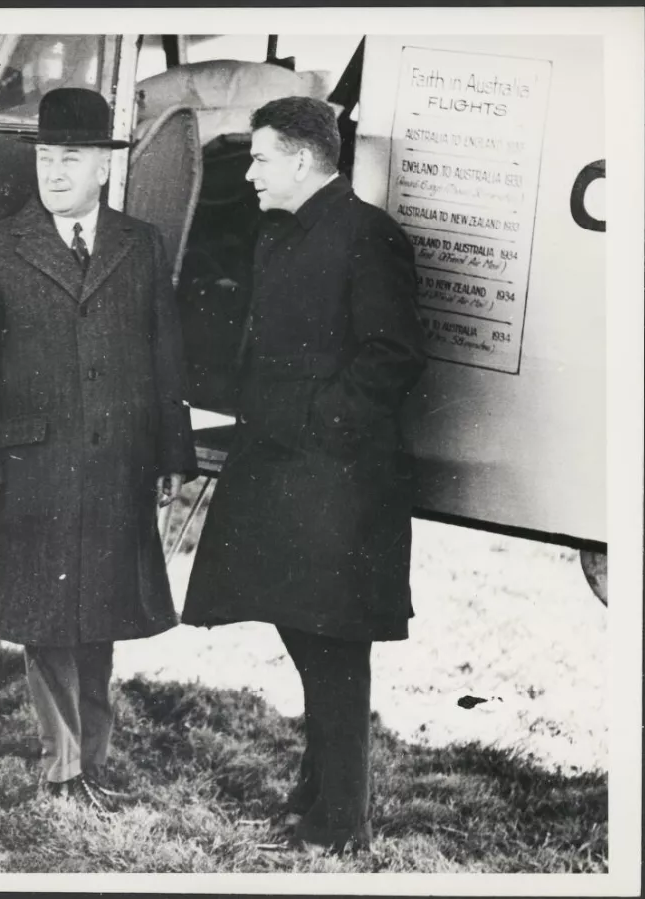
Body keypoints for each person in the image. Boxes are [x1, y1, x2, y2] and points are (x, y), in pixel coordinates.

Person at [181, 97, 427, 853]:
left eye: (258, 158)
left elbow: (392, 353)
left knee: (333, 645)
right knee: (305, 632)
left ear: (299, 158)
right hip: (286, 468)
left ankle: (339, 821)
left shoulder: (367, 236)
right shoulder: (282, 234)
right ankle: (317, 794)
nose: (248, 173)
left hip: (338, 479)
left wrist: (322, 423)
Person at [0, 87, 197, 814]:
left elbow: (164, 355)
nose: (55, 172)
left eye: (72, 159)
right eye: (47, 158)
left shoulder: (139, 244)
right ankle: (63, 767)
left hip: (118, 462)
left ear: (102, 168)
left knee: (102, 610)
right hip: (35, 464)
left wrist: (170, 455)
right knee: (49, 614)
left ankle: (93, 757)